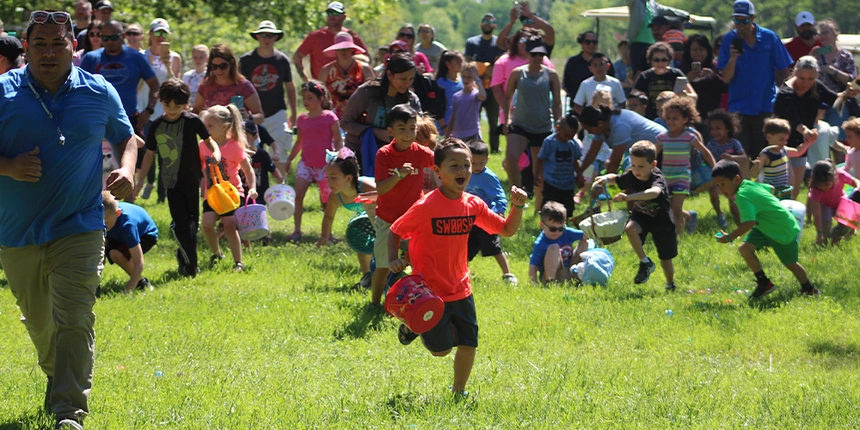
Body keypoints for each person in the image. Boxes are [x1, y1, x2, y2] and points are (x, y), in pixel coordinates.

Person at [0, 10, 139, 429]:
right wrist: (7, 166)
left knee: (75, 316)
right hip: (16, 230)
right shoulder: (3, 92)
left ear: (73, 48)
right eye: (39, 44)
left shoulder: (97, 91)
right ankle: (57, 375)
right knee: (41, 323)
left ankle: (69, 411)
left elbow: (127, 137)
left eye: (58, 43)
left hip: (80, 224)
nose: (48, 52)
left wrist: (129, 170)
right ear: (26, 48)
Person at [388, 138, 527, 397]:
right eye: (454, 166)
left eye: (467, 165)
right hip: (428, 291)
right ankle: (411, 325)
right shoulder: (426, 206)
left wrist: (517, 207)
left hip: (461, 288)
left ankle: (458, 391)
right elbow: (395, 230)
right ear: (437, 172)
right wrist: (393, 259)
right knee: (440, 352)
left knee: (468, 344)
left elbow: (506, 230)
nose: (462, 170)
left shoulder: (472, 204)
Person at [136, 78, 221, 276]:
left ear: (186, 103)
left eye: (178, 105)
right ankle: (192, 266)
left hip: (193, 180)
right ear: (161, 101)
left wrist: (215, 153)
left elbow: (209, 141)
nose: (172, 109)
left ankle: (183, 257)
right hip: (171, 183)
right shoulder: (157, 126)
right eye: (168, 104)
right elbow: (149, 154)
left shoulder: (192, 121)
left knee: (193, 224)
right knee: (182, 224)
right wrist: (139, 181)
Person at [712, 160, 818, 298]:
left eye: (723, 184)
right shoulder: (748, 184)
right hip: (764, 226)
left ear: (736, 179)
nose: (721, 190)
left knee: (790, 263)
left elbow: (749, 222)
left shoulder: (742, 196)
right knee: (745, 249)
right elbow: (771, 188)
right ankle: (764, 283)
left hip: (781, 230)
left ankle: (809, 289)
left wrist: (730, 237)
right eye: (718, 186)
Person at [371, 104, 434, 307]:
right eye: (402, 129)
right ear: (390, 131)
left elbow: (441, 164)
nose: (408, 134)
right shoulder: (384, 154)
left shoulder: (421, 152)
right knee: (383, 266)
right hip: (387, 220)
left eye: (412, 128)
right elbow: (380, 189)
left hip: (413, 221)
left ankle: (421, 302)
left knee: (420, 264)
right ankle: (374, 304)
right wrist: (399, 174)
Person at [593, 141, 678, 291]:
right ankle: (645, 262)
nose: (636, 170)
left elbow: (654, 193)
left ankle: (670, 284)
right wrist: (605, 178)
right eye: (633, 165)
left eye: (641, 166)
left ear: (653, 164)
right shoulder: (632, 175)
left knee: (665, 258)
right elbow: (617, 178)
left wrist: (629, 197)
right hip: (642, 216)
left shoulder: (656, 177)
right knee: (630, 228)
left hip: (661, 220)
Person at [716, 0, 793, 157]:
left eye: (744, 20)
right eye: (736, 20)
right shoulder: (728, 40)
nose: (740, 25)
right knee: (741, 156)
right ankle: (744, 182)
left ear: (753, 18)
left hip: (765, 105)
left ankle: (763, 182)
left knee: (764, 155)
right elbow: (725, 78)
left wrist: (788, 97)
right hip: (738, 107)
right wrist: (732, 59)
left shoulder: (770, 38)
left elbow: (784, 69)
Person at [502, 36, 561, 208]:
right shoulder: (518, 73)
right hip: (520, 124)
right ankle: (517, 196)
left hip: (542, 126)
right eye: (534, 54)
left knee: (539, 170)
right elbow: (507, 97)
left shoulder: (551, 74)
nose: (537, 57)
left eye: (540, 54)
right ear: (527, 53)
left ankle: (539, 205)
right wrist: (507, 120)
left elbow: (557, 103)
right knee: (511, 159)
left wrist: (558, 124)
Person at [199, 104, 258, 273]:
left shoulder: (234, 146)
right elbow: (200, 167)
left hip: (232, 193)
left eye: (210, 125)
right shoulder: (203, 145)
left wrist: (252, 188)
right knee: (207, 225)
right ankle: (217, 254)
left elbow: (248, 169)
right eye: (205, 125)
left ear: (225, 126)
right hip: (211, 193)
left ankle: (238, 262)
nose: (206, 129)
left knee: (230, 225)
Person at [773, 56, 838, 199]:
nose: (806, 83)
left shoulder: (816, 86)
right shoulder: (785, 93)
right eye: (802, 78)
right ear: (794, 72)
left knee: (795, 190)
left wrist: (848, 94)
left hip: (801, 145)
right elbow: (792, 118)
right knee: (783, 188)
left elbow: (835, 99)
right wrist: (806, 131)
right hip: (781, 145)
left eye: (811, 79)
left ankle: (792, 216)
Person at [285, 80, 342, 242]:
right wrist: (289, 159)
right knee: (298, 195)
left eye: (310, 98)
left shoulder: (330, 117)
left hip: (325, 166)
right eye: (304, 98)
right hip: (306, 164)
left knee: (326, 201)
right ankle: (296, 231)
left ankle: (327, 234)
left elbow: (338, 140)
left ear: (320, 98)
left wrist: (337, 157)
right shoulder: (302, 119)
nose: (306, 102)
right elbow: (300, 142)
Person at [340, 52, 421, 165]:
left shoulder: (411, 99)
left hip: (394, 155)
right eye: (403, 79)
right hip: (360, 151)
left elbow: (419, 128)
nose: (407, 83)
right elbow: (345, 123)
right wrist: (373, 132)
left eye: (411, 79)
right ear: (389, 75)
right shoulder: (367, 92)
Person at [79, 19, 158, 133]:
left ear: (123, 36)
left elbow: (155, 85)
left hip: (129, 120)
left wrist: (148, 111)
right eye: (105, 38)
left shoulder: (136, 57)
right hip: (97, 120)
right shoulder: (90, 58)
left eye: (114, 37)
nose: (110, 41)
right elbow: (79, 89)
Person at [240, 21, 298, 175]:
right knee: (250, 154)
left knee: (279, 153)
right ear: (257, 36)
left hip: (277, 113)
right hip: (252, 115)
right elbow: (239, 87)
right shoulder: (246, 60)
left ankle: (281, 192)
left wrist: (294, 112)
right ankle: (254, 190)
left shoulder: (282, 60)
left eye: (270, 35)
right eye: (263, 34)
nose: (267, 38)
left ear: (276, 37)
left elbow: (290, 87)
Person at [136, 18, 182, 202]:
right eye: (157, 32)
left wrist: (167, 64)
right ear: (150, 34)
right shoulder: (140, 56)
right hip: (145, 110)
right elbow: (137, 86)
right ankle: (147, 183)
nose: (160, 37)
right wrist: (145, 65)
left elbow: (176, 84)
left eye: (164, 33)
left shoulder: (175, 57)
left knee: (165, 153)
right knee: (147, 151)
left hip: (166, 112)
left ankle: (162, 195)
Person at [655, 96, 715, 236]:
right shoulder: (662, 137)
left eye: (675, 118)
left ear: (685, 119)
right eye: (668, 118)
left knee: (676, 209)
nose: (671, 121)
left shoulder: (689, 137)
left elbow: (705, 152)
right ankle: (689, 216)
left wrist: (715, 167)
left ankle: (679, 240)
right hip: (666, 177)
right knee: (666, 207)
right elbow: (652, 154)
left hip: (682, 176)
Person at [317, 148, 377, 288]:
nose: (329, 182)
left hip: (382, 218)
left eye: (333, 177)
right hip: (364, 221)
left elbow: (387, 201)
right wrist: (324, 236)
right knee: (362, 247)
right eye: (327, 177)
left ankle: (389, 278)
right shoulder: (335, 196)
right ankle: (367, 279)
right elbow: (328, 216)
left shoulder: (366, 187)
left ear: (348, 178)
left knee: (384, 250)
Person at [465, 139, 517, 284]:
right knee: (464, 249)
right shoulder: (464, 174)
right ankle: (463, 275)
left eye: (481, 163)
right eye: (473, 163)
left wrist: (497, 212)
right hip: (468, 220)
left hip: (485, 219)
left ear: (487, 160)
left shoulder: (488, 177)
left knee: (494, 247)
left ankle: (508, 274)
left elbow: (500, 196)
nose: (476, 166)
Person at [577, 104, 667, 178]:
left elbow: (615, 162)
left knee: (653, 180)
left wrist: (602, 185)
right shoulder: (601, 129)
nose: (589, 132)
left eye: (589, 129)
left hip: (663, 146)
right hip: (647, 150)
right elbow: (592, 153)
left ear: (599, 123)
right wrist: (580, 172)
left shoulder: (619, 125)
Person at [293, 1, 368, 82]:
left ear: (344, 17)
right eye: (329, 13)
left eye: (336, 13)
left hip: (351, 88)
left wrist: (351, 58)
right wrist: (306, 80)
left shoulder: (350, 37)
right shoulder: (315, 36)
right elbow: (297, 57)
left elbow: (367, 58)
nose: (332, 16)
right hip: (322, 90)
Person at [193, 44, 264, 124]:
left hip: (239, 133)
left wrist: (247, 117)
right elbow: (196, 111)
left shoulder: (243, 85)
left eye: (223, 66)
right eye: (214, 67)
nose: (219, 70)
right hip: (213, 134)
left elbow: (260, 117)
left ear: (231, 64)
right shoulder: (206, 85)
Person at [464, 13, 505, 152]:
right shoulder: (472, 42)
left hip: (494, 87)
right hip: (475, 86)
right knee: (472, 119)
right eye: (484, 20)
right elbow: (466, 62)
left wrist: (491, 70)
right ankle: (471, 147)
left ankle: (494, 148)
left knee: (493, 121)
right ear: (481, 24)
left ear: (495, 25)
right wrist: (482, 68)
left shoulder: (499, 42)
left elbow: (502, 63)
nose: (487, 23)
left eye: (490, 21)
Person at [102, 191, 158, 293]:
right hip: (117, 233)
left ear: (118, 213)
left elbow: (139, 262)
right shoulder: (106, 220)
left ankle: (142, 283)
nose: (103, 227)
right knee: (102, 250)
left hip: (145, 236)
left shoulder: (128, 226)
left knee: (115, 254)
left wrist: (129, 289)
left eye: (106, 223)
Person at [813, 19, 858, 141]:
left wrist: (832, 70)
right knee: (819, 140)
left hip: (838, 103)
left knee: (838, 140)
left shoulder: (844, 56)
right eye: (820, 33)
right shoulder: (816, 55)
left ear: (836, 33)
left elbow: (852, 80)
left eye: (826, 32)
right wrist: (810, 57)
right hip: (817, 104)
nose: (822, 36)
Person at [749, 118, 813, 199]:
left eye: (786, 140)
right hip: (770, 193)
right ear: (769, 137)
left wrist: (808, 143)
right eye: (781, 140)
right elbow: (753, 175)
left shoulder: (783, 150)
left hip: (783, 191)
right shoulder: (766, 154)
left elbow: (798, 152)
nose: (784, 143)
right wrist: (755, 166)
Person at [535, 113, 584, 218]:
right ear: (558, 128)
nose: (567, 139)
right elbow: (540, 158)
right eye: (566, 135)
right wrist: (536, 175)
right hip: (551, 183)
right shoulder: (549, 142)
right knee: (549, 209)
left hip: (568, 184)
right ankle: (547, 225)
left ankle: (563, 227)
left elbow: (575, 161)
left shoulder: (573, 144)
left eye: (571, 136)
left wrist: (579, 175)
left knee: (567, 210)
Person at [529, 201, 589, 284]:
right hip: (553, 274)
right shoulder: (541, 243)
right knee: (554, 247)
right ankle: (550, 283)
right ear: (542, 225)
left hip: (569, 270)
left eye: (561, 228)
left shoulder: (566, 232)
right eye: (553, 229)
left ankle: (581, 276)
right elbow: (533, 266)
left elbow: (587, 235)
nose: (557, 232)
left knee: (584, 242)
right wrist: (533, 283)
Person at [633, 42, 696, 120]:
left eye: (664, 60)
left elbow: (694, 96)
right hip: (651, 117)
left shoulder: (676, 74)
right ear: (651, 61)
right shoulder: (645, 76)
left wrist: (683, 95)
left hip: (673, 118)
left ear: (669, 60)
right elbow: (633, 95)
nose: (660, 63)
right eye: (656, 60)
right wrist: (640, 95)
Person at [318, 31, 374, 118]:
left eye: (347, 48)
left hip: (359, 118)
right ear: (336, 51)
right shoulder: (326, 70)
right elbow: (318, 96)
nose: (343, 52)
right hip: (332, 119)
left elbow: (373, 95)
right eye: (340, 49)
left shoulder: (364, 69)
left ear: (352, 50)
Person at [625, 0, 689, 75]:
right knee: (639, 72)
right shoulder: (635, 2)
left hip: (654, 45)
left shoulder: (652, 4)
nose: (655, 30)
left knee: (657, 71)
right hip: (638, 43)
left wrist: (684, 15)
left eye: (658, 28)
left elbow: (667, 10)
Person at [705, 109, 745, 228]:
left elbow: (744, 158)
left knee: (733, 204)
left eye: (718, 128)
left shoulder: (734, 143)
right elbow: (705, 157)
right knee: (713, 193)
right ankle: (719, 214)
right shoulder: (711, 144)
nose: (714, 131)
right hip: (717, 178)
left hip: (732, 179)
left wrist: (731, 157)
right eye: (712, 129)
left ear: (728, 128)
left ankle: (740, 226)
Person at [680, 34, 727, 133]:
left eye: (701, 49)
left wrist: (713, 77)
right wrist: (687, 79)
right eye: (694, 50)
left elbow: (725, 87)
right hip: (688, 115)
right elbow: (675, 90)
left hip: (711, 116)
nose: (698, 53)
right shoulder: (682, 68)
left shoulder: (715, 66)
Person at [808, 160, 860, 245]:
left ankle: (838, 236)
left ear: (834, 178)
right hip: (825, 205)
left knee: (847, 221)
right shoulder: (815, 191)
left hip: (841, 202)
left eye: (827, 184)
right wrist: (819, 232)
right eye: (820, 185)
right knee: (826, 219)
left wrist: (858, 187)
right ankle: (825, 239)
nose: (824, 188)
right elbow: (817, 213)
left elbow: (854, 181)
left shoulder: (840, 175)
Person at [562, 31, 616, 109]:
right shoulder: (573, 62)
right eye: (588, 42)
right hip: (578, 106)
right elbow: (566, 84)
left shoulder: (604, 61)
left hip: (603, 106)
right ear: (582, 43)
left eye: (594, 42)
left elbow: (611, 80)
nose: (591, 45)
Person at [445, 62, 486, 141]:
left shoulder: (475, 94)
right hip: (458, 134)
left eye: (469, 77)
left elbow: (483, 96)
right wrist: (447, 136)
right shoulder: (456, 96)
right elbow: (453, 118)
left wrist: (477, 79)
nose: (466, 80)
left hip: (473, 133)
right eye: (464, 77)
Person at [435, 50, 464, 130]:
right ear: (448, 64)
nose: (461, 64)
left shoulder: (463, 80)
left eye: (461, 61)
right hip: (446, 126)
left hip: (461, 124)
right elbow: (437, 107)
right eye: (457, 62)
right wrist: (444, 126)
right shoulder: (441, 83)